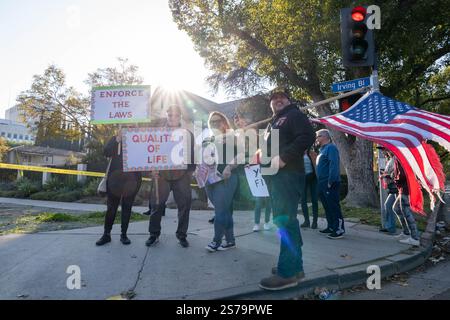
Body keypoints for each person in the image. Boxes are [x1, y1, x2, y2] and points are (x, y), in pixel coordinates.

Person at [259, 88, 315, 291]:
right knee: (286, 219)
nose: (277, 99)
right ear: (270, 104)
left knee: (284, 220)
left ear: (288, 100)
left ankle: (287, 273)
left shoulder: (294, 115)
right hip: (275, 177)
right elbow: (271, 148)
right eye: (273, 98)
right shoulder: (273, 122)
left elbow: (307, 136)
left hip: (288, 174)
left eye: (282, 97)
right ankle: (296, 267)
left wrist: (283, 159)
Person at [145, 105, 195, 248]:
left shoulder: (187, 134)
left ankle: (182, 235)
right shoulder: (157, 133)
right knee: (156, 205)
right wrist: (151, 170)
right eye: (170, 115)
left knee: (184, 205)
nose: (173, 118)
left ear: (180, 117)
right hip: (162, 175)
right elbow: (150, 153)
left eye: (176, 115)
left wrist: (190, 172)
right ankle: (153, 235)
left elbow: (192, 155)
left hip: (182, 175)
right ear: (167, 115)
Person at [96, 131, 142, 246]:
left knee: (127, 207)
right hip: (114, 180)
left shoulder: (138, 140)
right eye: (124, 125)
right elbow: (106, 152)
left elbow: (144, 158)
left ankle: (124, 234)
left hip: (131, 180)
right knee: (111, 208)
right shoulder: (115, 139)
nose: (127, 128)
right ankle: (106, 234)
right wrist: (117, 140)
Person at [204, 111, 240, 252]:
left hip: (227, 179)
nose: (215, 124)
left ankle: (216, 241)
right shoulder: (209, 139)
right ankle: (230, 240)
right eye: (212, 122)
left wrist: (229, 167)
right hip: (209, 179)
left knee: (220, 211)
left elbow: (243, 155)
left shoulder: (233, 137)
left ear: (224, 122)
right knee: (224, 211)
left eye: (218, 121)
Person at [315, 129, 345, 239]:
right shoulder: (322, 149)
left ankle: (339, 230)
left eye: (318, 136)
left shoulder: (331, 148)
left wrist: (330, 181)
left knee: (333, 206)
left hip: (330, 183)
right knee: (327, 207)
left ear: (325, 137)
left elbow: (334, 165)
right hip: (322, 183)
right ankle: (331, 226)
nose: (316, 138)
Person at [392, 156, 420, 246]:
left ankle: (415, 237)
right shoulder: (399, 157)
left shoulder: (400, 157)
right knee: (396, 208)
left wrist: (395, 180)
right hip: (404, 188)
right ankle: (406, 232)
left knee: (407, 213)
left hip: (405, 189)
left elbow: (402, 174)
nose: (384, 151)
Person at [379, 148, 398, 234]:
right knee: (390, 206)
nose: (384, 152)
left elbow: (395, 174)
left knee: (393, 207)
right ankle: (390, 227)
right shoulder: (391, 160)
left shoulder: (395, 160)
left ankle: (391, 227)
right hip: (392, 188)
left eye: (385, 150)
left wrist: (385, 175)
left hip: (396, 188)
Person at [300, 149, 319, 229]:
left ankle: (315, 222)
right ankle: (306, 221)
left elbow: (317, 165)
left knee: (314, 199)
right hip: (302, 179)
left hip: (313, 178)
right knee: (303, 200)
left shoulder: (312, 153)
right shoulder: (297, 154)